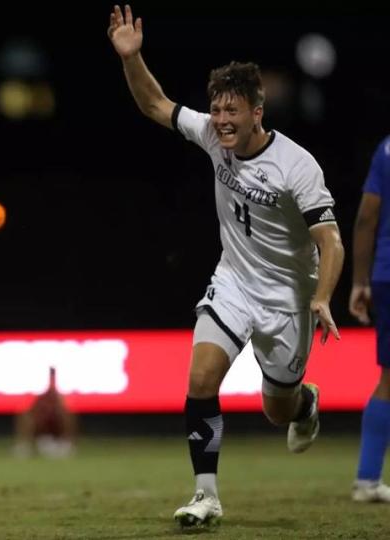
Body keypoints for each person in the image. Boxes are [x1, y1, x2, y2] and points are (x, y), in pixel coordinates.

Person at [108, 5, 344, 527]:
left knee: (275, 409)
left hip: (287, 297)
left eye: (232, 111)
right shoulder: (213, 136)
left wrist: (322, 296)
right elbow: (153, 103)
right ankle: (205, 495)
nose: (222, 121)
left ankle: (303, 403)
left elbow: (331, 241)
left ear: (258, 112)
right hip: (234, 282)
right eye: (216, 110)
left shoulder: (296, 166)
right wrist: (132, 56)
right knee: (200, 379)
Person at [348, 134, 390, 503]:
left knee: (389, 378)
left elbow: (366, 218)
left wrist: (360, 280)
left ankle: (367, 478)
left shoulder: (387, 148)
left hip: (386, 274)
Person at [13, 367, 78, 459]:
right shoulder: (39, 395)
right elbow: (30, 411)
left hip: (56, 434)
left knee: (67, 414)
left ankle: (67, 444)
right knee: (25, 415)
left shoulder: (60, 395)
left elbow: (64, 411)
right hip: (42, 434)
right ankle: (25, 446)